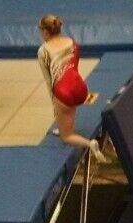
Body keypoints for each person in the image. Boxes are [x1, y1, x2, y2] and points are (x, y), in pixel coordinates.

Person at [36, 13, 96, 152]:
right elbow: (73, 69)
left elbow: (48, 80)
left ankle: (90, 144)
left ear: (45, 31)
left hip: (64, 92)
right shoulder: (71, 42)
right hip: (80, 88)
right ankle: (65, 126)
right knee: (69, 109)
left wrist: (54, 103)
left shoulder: (43, 51)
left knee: (67, 136)